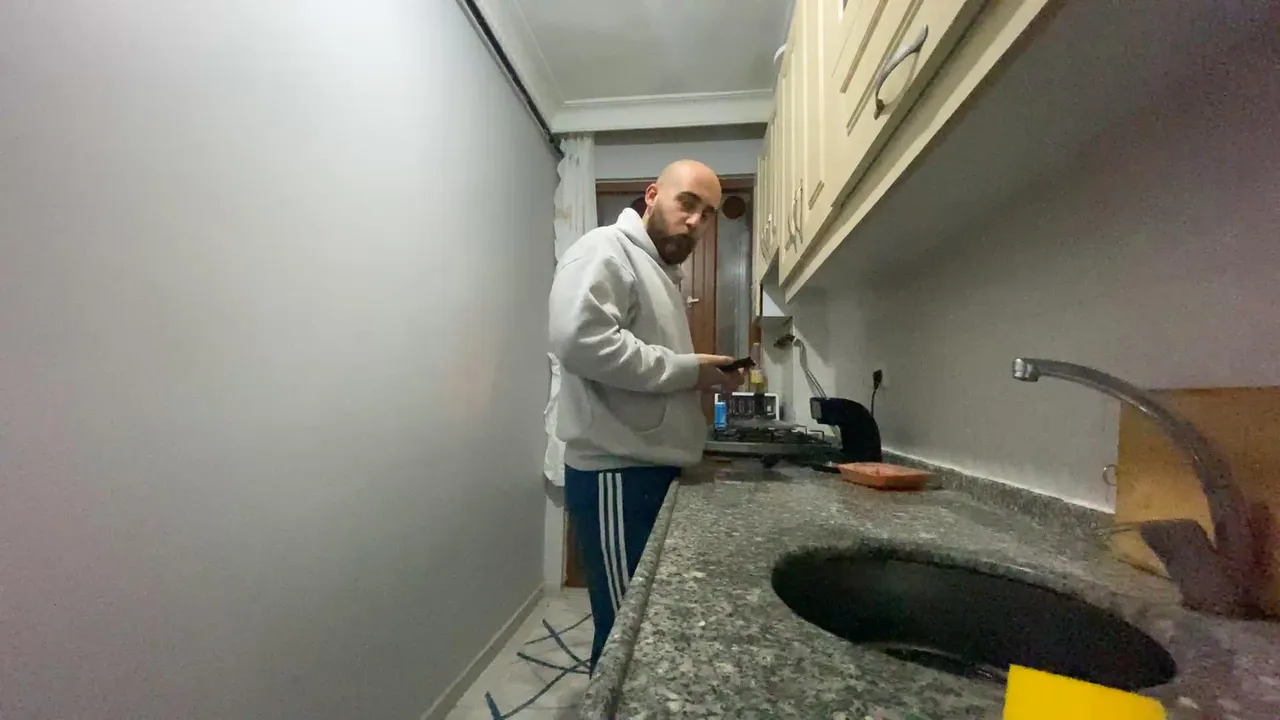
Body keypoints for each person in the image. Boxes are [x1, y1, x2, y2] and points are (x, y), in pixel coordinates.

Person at [548, 159, 744, 672]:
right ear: (652, 195)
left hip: (643, 470)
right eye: (687, 203)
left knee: (639, 628)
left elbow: (645, 368)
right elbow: (580, 342)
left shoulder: (659, 271)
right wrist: (687, 370)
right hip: (616, 472)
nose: (695, 221)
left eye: (708, 214)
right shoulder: (604, 249)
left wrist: (702, 377)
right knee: (625, 636)